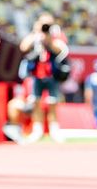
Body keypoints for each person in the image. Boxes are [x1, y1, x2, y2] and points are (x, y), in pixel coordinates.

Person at [18, 13, 69, 142]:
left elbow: (60, 50)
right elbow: (23, 47)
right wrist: (36, 33)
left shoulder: (56, 34)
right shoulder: (35, 35)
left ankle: (54, 131)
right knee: (36, 102)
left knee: (52, 103)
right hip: (37, 74)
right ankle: (37, 130)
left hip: (52, 74)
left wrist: (49, 38)